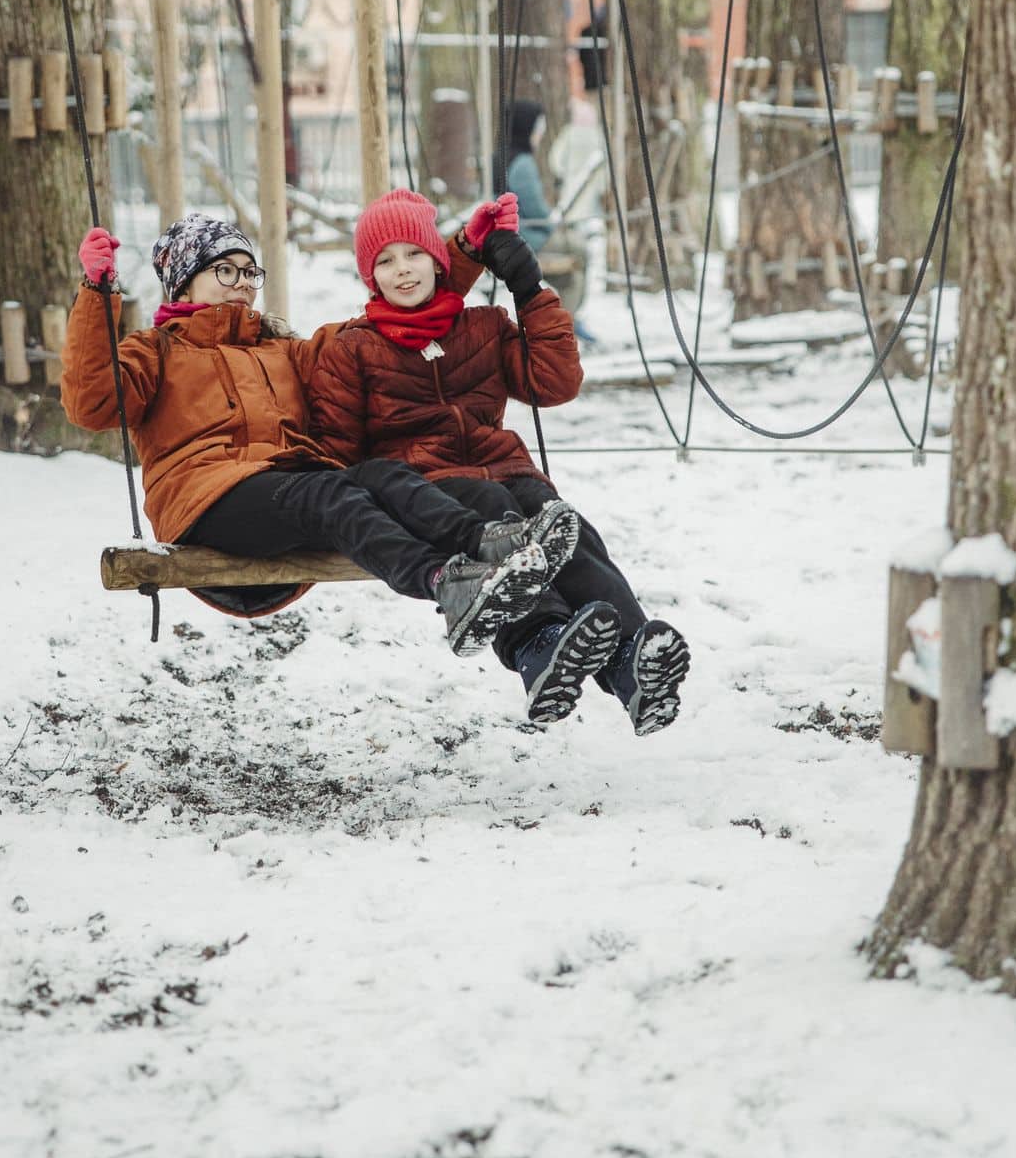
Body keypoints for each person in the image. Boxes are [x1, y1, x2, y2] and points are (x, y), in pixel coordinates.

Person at [60, 209, 580, 658]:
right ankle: (444, 582)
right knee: (327, 488)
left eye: (249, 271)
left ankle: (487, 546)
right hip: (203, 500)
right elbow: (92, 401)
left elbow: (387, 326)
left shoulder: (284, 350)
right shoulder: (155, 352)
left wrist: (458, 255)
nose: (242, 283)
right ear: (185, 283)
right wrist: (97, 294)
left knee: (380, 474)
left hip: (288, 494)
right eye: (224, 270)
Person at [306, 188, 691, 734]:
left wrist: (529, 290)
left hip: (506, 468)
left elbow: (555, 382)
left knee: (565, 528)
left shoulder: (482, 326)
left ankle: (631, 663)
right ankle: (540, 643)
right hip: (426, 485)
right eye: (384, 262)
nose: (402, 271)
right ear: (370, 277)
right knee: (494, 509)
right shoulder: (353, 348)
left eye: (414, 254)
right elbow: (337, 449)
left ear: (439, 262)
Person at [500, 99, 554, 254]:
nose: (540, 136)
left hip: (502, 236)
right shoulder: (522, 163)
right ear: (526, 128)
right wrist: (553, 224)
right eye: (537, 130)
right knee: (580, 247)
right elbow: (535, 210)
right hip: (521, 237)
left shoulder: (498, 157)